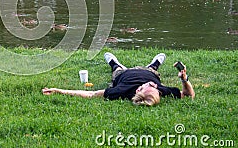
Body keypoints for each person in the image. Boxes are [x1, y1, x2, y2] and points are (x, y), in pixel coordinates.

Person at [42, 52, 195, 106]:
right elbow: (189, 95)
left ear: (138, 90)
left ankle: (114, 63)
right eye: (154, 87)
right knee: (152, 70)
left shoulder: (120, 91)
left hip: (122, 74)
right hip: (149, 72)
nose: (152, 85)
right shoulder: (159, 89)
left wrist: (57, 90)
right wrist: (184, 79)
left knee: (116, 69)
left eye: (149, 86)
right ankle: (155, 64)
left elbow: (90, 94)